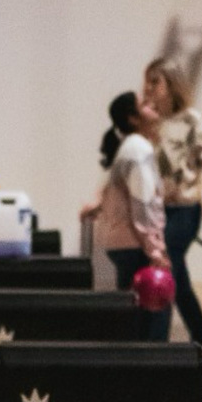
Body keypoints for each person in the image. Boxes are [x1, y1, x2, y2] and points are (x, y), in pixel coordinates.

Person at [143, 57, 202, 364]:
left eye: (155, 82)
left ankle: (157, 346)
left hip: (185, 211)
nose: (149, 88)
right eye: (147, 81)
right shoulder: (150, 123)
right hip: (159, 212)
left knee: (164, 266)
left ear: (172, 84)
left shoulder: (191, 121)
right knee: (179, 282)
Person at [81, 91, 171, 341]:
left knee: (134, 314)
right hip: (135, 245)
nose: (152, 105)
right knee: (154, 310)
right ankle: (151, 363)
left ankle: (136, 361)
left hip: (126, 244)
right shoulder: (138, 150)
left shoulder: (131, 148)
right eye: (144, 104)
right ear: (133, 118)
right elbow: (142, 204)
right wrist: (155, 251)